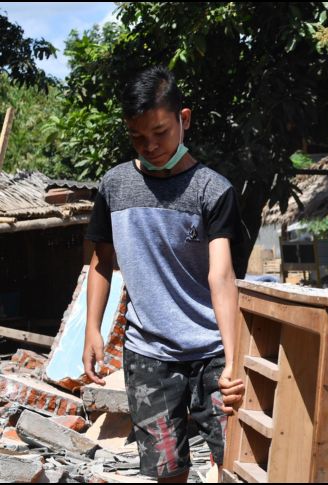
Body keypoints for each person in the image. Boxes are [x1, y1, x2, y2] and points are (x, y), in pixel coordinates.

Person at [82, 66, 245, 483]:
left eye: (161, 132)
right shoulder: (113, 187)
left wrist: (233, 360)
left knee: (237, 460)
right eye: (139, 137)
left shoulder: (213, 190)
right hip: (149, 354)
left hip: (212, 350)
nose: (151, 146)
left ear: (184, 119)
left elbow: (222, 276)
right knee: (166, 468)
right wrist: (92, 329)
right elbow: (102, 260)